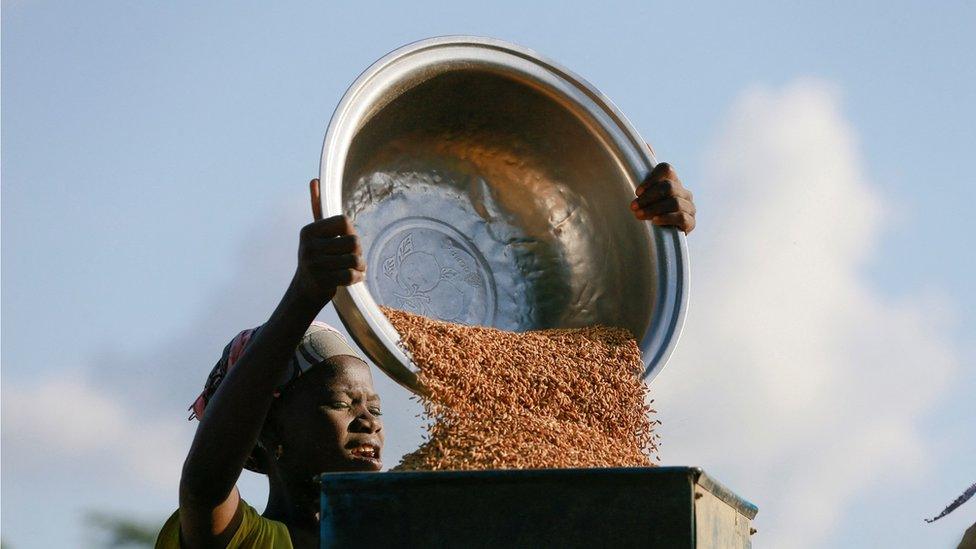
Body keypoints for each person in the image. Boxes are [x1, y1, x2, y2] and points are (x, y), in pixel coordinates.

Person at [155, 161, 695, 548]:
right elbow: (204, 487)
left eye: (375, 407)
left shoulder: (418, 526)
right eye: (343, 403)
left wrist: (640, 228)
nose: (369, 420)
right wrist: (304, 294)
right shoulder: (253, 540)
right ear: (261, 438)